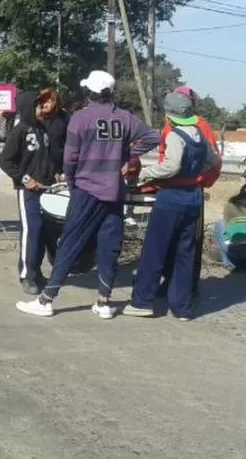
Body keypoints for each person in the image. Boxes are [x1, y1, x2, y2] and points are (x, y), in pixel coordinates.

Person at [17, 70, 160, 320]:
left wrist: (72, 182)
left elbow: (70, 158)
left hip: (86, 190)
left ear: (89, 92)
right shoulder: (125, 118)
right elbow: (152, 137)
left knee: (70, 243)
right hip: (114, 191)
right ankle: (104, 301)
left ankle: (46, 299)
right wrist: (128, 157)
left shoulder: (81, 119)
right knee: (109, 245)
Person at [124, 92, 221, 321]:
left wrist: (145, 174)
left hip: (172, 196)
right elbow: (214, 160)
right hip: (193, 197)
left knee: (155, 250)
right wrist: (196, 172)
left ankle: (142, 301)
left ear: (169, 115)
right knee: (184, 253)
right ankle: (182, 307)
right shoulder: (198, 133)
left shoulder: (174, 136)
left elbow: (170, 166)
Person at [148, 84, 221, 298]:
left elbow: (213, 160)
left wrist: (198, 180)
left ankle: (187, 287)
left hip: (187, 189)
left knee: (188, 244)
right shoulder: (170, 125)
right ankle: (170, 283)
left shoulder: (200, 126)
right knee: (170, 242)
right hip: (171, 187)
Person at [1, 91, 57, 295]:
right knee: (31, 231)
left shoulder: (42, 128)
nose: (42, 108)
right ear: (27, 108)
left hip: (46, 190)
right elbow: (5, 161)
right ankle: (26, 275)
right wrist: (26, 179)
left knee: (42, 232)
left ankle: (36, 270)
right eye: (38, 105)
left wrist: (55, 174)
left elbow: (46, 158)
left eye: (42, 105)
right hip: (28, 192)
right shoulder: (19, 130)